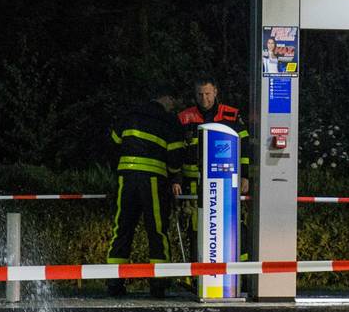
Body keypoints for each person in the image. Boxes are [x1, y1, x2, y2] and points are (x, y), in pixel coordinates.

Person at [107, 89, 183, 298]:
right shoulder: (168, 120)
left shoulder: (129, 114)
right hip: (153, 182)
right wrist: (175, 178)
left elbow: (113, 143)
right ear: (165, 98)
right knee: (157, 231)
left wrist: (121, 168)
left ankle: (115, 283)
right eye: (173, 100)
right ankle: (158, 285)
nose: (174, 105)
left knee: (121, 229)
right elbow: (175, 156)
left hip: (126, 180)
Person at [177, 78, 251, 200]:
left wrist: (244, 175)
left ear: (215, 92)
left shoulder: (231, 115)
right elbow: (176, 151)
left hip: (224, 181)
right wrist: (176, 179)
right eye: (200, 94)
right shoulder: (184, 117)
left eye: (207, 94)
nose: (204, 98)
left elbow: (244, 147)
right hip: (192, 183)